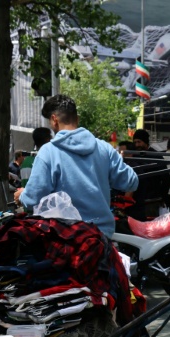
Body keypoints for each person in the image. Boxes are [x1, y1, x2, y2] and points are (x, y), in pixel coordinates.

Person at [14, 95, 138, 236]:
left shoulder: (48, 152)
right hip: (102, 237)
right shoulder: (104, 148)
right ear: (77, 118)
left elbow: (33, 199)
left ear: (54, 120)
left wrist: (22, 195)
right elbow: (131, 182)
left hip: (68, 239)